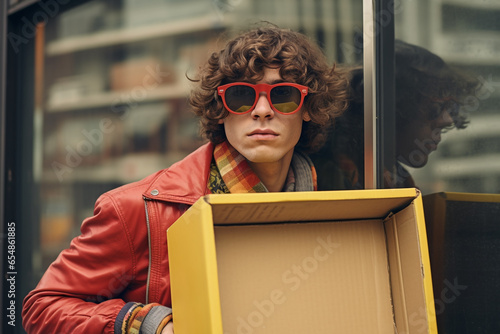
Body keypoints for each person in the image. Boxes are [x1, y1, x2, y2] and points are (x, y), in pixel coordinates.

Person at [22, 25, 349, 334]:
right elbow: (42, 307)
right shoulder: (136, 209)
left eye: (284, 95)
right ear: (221, 110)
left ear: (307, 108)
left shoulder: (330, 206)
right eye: (240, 96)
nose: (262, 110)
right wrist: (145, 322)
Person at [312, 40, 480, 190]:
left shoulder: (394, 179)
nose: (447, 119)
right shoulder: (326, 178)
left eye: (451, 107)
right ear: (395, 110)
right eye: (436, 107)